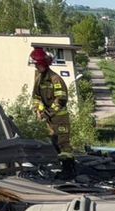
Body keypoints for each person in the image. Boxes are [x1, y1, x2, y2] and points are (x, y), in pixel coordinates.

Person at [30, 48, 74, 179]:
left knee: (63, 144)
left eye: (37, 64)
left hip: (59, 118)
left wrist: (48, 113)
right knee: (55, 144)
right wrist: (39, 109)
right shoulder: (39, 79)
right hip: (49, 119)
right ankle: (64, 169)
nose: (36, 67)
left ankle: (69, 171)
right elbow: (36, 97)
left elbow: (61, 99)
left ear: (43, 64)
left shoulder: (55, 79)